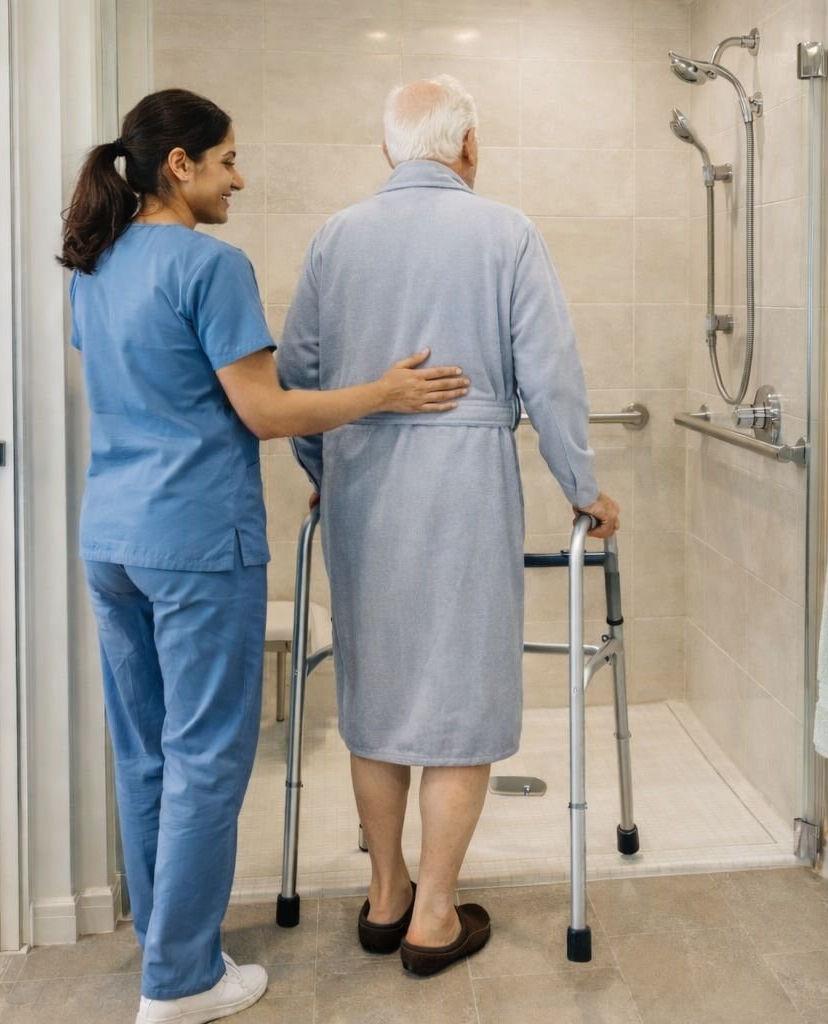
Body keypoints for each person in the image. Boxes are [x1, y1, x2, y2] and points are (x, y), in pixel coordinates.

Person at [59, 88, 468, 1024]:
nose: (239, 180)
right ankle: (181, 983)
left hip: (112, 537)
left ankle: (167, 943)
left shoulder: (93, 267)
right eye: (229, 161)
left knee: (148, 752)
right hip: (196, 542)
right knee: (207, 757)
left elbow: (134, 390)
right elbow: (267, 411)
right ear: (180, 165)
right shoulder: (211, 266)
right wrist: (385, 394)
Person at [277, 75, 620, 976]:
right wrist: (584, 487)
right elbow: (550, 376)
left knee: (377, 698)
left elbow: (298, 380)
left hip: (362, 492)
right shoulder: (505, 231)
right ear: (466, 147)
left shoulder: (336, 237)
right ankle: (434, 914)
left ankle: (384, 895)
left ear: (390, 151)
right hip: (465, 488)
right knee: (459, 702)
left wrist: (326, 476)